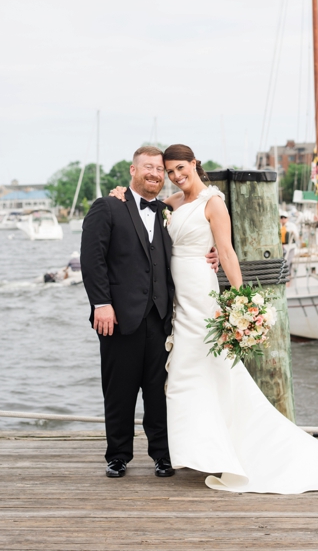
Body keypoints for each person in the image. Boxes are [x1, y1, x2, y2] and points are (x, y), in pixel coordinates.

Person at [111, 144, 318, 493]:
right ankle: (199, 450)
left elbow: (226, 251)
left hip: (201, 290)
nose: (176, 176)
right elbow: (141, 213)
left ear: (195, 163)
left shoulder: (213, 202)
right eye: (170, 172)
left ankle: (219, 450)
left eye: (181, 168)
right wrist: (121, 193)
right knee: (184, 371)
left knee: (202, 368)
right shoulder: (171, 204)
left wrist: (241, 302)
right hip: (175, 295)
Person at [80, 145, 216, 479]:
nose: (156, 174)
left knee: (159, 391)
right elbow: (92, 259)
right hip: (117, 317)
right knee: (119, 390)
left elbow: (196, 236)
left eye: (160, 169)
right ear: (133, 170)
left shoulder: (166, 210)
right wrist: (101, 304)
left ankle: (162, 454)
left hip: (161, 317)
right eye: (149, 168)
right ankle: (118, 455)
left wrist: (209, 253)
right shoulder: (108, 206)